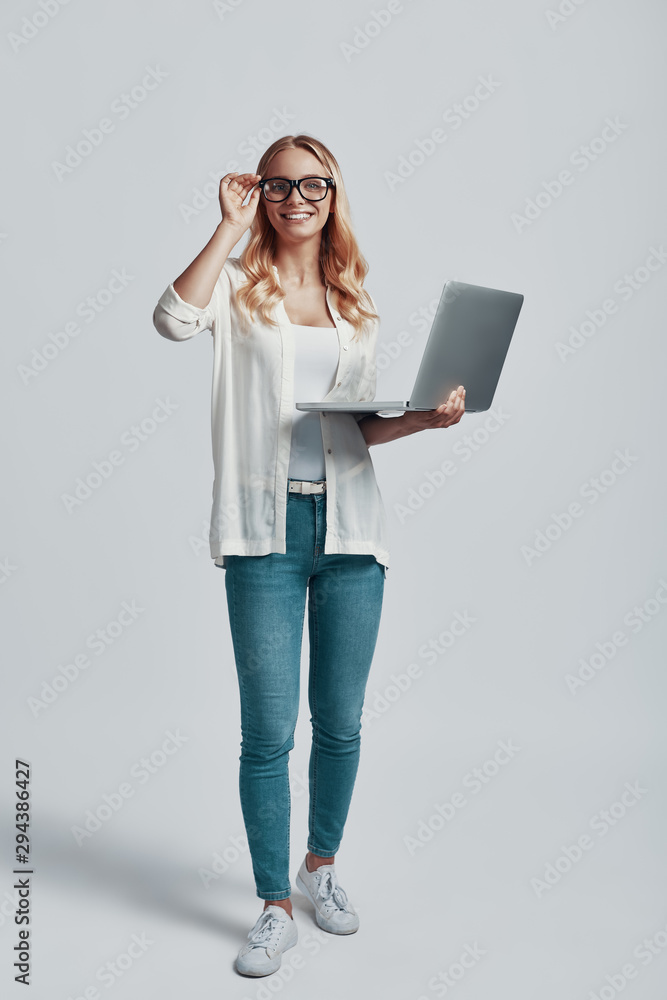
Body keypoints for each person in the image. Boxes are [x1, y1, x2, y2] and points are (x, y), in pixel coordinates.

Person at [153, 133, 465, 978]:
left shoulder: (352, 299)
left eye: (314, 184)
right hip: (264, 532)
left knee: (341, 722)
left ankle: (319, 870)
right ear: (259, 190)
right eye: (279, 184)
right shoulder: (237, 290)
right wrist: (226, 225)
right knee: (267, 733)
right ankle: (271, 907)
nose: (297, 198)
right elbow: (172, 320)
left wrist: (422, 420)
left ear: (334, 194)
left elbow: (354, 428)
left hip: (351, 532)